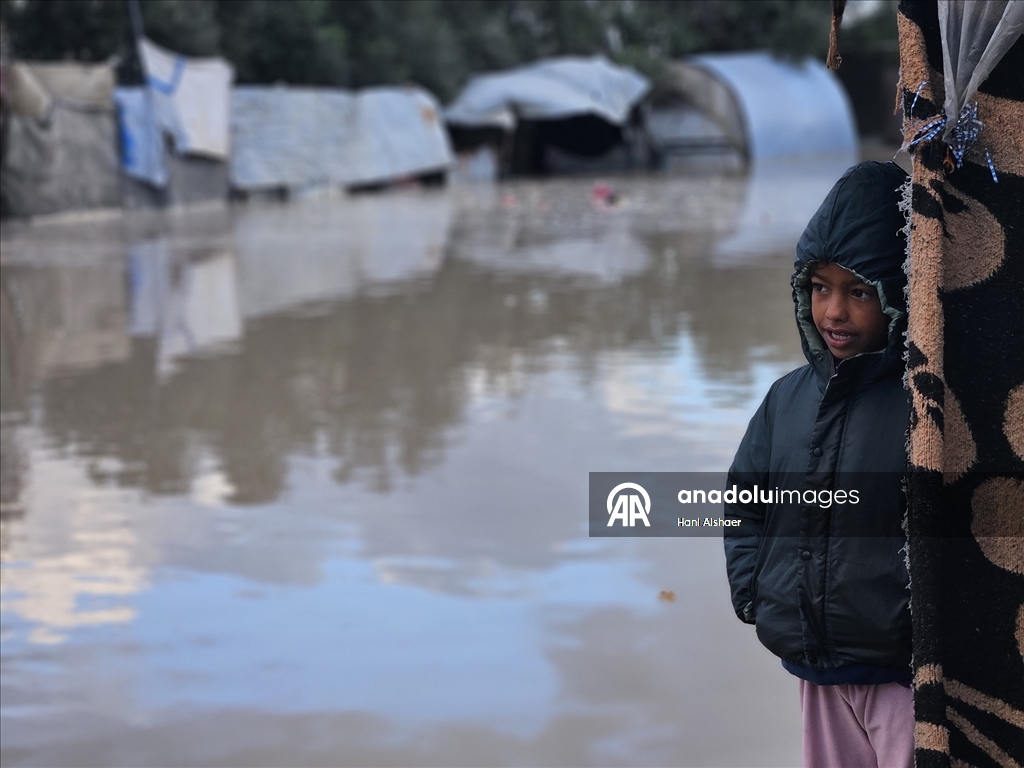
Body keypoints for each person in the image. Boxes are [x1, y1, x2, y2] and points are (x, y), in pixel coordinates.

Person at [723, 161, 914, 768]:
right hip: (816, 667)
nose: (833, 312)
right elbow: (742, 499)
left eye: (859, 292)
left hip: (905, 674)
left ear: (902, 291)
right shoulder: (786, 399)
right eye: (819, 287)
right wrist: (753, 591)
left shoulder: (928, 406)